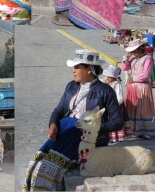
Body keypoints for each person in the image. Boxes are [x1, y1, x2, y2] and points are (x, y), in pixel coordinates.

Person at [23, 50, 124, 191]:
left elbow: (118, 121)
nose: (73, 71)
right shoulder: (71, 86)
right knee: (36, 164)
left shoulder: (105, 91)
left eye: (77, 67)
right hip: (64, 130)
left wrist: (92, 128)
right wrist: (52, 124)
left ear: (89, 69)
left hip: (84, 137)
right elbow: (58, 110)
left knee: (48, 169)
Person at [121, 39, 155, 139]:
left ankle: (146, 130)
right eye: (132, 51)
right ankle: (133, 129)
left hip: (142, 87)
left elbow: (146, 74)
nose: (134, 53)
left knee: (143, 108)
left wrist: (134, 79)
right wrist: (126, 58)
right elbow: (124, 68)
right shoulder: (132, 59)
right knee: (132, 108)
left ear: (141, 49)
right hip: (132, 88)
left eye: (135, 51)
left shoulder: (148, 59)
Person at [103, 64, 126, 143]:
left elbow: (120, 97)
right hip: (110, 106)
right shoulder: (108, 84)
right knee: (110, 121)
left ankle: (118, 137)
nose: (107, 78)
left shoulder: (117, 84)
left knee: (115, 120)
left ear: (114, 77)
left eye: (109, 77)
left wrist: (116, 104)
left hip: (116, 106)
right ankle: (112, 137)